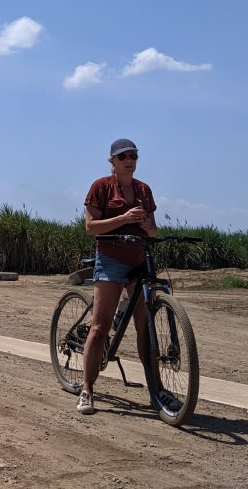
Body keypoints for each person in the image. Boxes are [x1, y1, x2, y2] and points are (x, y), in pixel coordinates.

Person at [77, 138, 157, 415]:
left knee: (145, 327)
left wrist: (147, 225)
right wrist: (124, 218)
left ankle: (156, 390)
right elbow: (90, 227)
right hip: (111, 260)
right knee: (100, 327)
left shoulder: (144, 190)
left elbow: (154, 232)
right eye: (123, 156)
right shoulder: (100, 187)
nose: (129, 160)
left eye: (133, 155)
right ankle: (87, 389)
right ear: (112, 161)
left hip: (139, 260)